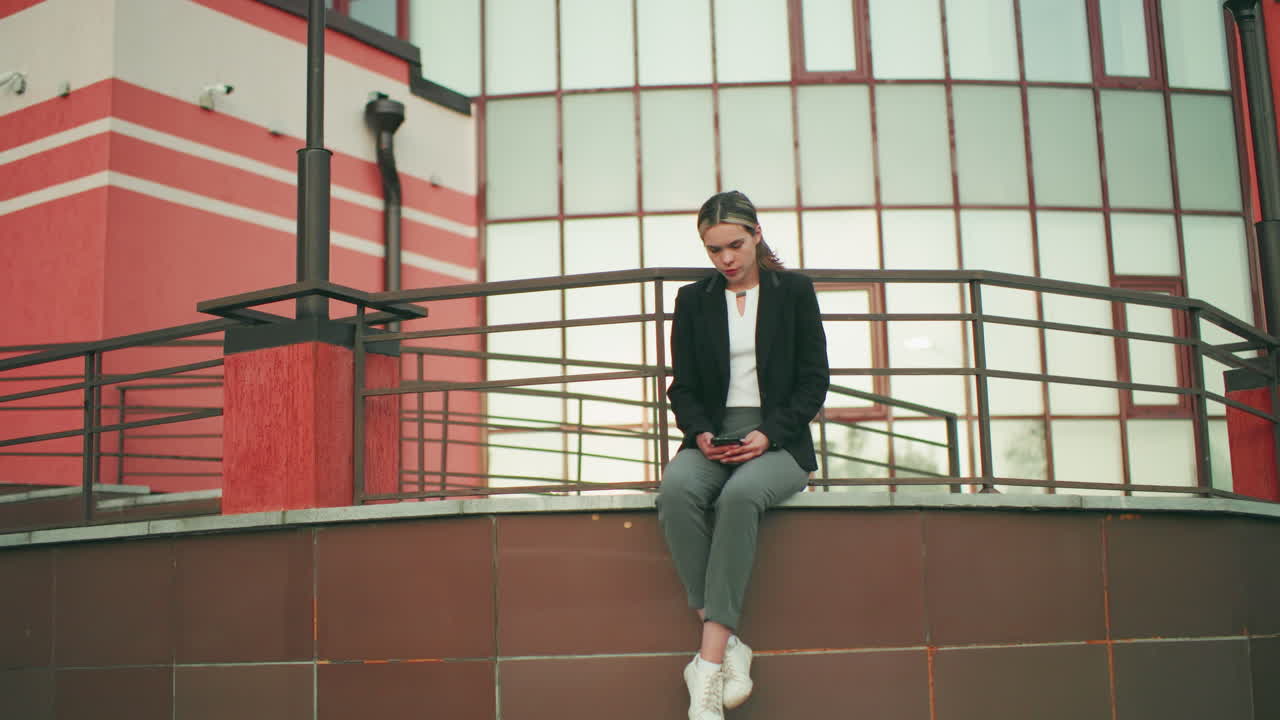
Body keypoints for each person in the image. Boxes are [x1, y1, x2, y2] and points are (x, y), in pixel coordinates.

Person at [657, 190, 830, 719]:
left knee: (741, 496)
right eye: (714, 250)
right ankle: (729, 643)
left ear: (756, 234)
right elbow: (682, 386)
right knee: (676, 491)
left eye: (734, 245)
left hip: (778, 441)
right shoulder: (694, 299)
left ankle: (706, 666)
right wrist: (702, 432)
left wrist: (769, 435)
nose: (726, 259)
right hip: (714, 436)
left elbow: (813, 380)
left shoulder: (794, 292)